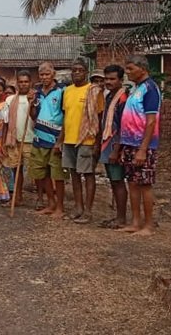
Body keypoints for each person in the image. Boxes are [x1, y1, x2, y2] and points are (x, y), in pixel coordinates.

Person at [119, 55, 161, 236]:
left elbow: (151, 121)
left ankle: (149, 225)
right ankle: (135, 222)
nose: (127, 72)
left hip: (143, 145)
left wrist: (143, 149)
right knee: (132, 183)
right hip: (129, 143)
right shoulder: (136, 88)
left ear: (143, 69)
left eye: (130, 69)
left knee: (145, 184)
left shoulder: (150, 89)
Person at [62, 59, 105, 223]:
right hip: (69, 139)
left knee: (88, 174)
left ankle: (88, 211)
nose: (77, 73)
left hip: (87, 139)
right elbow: (66, 116)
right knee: (73, 174)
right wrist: (61, 140)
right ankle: (78, 207)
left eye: (80, 70)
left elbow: (99, 118)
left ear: (86, 72)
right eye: (74, 70)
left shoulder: (94, 91)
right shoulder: (67, 91)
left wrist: (97, 143)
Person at [29, 62, 66, 216]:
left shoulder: (62, 91)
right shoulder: (37, 92)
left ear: (53, 74)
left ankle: (60, 207)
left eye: (47, 74)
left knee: (57, 174)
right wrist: (31, 103)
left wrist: (60, 141)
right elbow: (33, 116)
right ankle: (50, 203)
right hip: (39, 137)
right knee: (42, 173)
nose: (44, 77)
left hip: (55, 138)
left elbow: (66, 116)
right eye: (42, 74)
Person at [97, 64, 129, 228]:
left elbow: (124, 126)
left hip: (116, 145)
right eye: (106, 79)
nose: (108, 82)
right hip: (107, 143)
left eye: (112, 79)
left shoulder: (123, 98)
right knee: (113, 180)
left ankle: (121, 219)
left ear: (120, 80)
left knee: (118, 181)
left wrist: (116, 150)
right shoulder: (109, 96)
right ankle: (118, 216)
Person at [5, 70, 36, 207]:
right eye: (21, 82)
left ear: (30, 83)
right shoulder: (10, 100)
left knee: (35, 170)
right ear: (17, 83)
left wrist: (32, 103)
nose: (23, 84)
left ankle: (40, 199)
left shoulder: (35, 98)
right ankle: (17, 197)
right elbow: (6, 122)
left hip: (31, 139)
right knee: (16, 169)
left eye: (26, 82)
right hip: (14, 139)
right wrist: (4, 140)